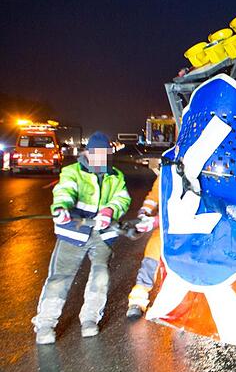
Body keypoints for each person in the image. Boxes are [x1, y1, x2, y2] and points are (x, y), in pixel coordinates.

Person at [33, 131, 131, 344]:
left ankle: (90, 319)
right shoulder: (72, 172)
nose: (100, 159)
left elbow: (122, 199)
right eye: (96, 154)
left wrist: (110, 211)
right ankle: (46, 323)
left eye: (105, 154)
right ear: (87, 153)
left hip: (103, 235)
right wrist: (61, 207)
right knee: (60, 277)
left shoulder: (116, 176)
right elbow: (65, 191)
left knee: (100, 276)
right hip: (74, 232)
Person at [126, 173, 161, 318]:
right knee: (152, 256)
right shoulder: (169, 170)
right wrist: (145, 212)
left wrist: (157, 221)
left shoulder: (204, 173)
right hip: (166, 228)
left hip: (197, 229)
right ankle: (138, 300)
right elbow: (154, 195)